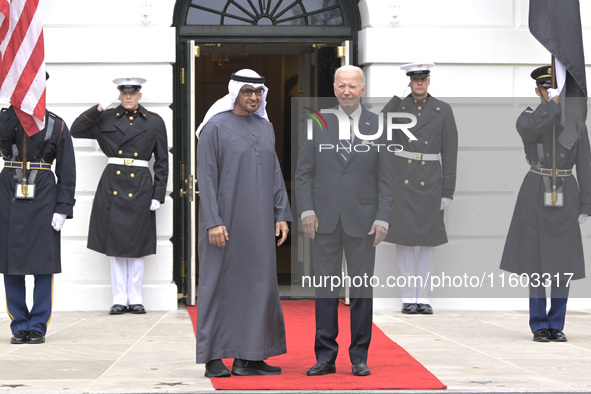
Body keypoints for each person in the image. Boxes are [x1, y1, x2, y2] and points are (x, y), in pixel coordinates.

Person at [295, 65, 394, 376]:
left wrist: (383, 218)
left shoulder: (378, 125)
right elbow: (303, 174)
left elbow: (387, 180)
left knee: (362, 290)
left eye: (353, 86)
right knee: (325, 289)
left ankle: (359, 356)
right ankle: (325, 356)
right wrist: (307, 211)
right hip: (324, 220)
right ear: (334, 88)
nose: (347, 91)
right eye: (341, 86)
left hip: (364, 221)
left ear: (362, 89)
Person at [195, 69, 291, 378]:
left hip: (260, 224)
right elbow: (205, 179)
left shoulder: (266, 128)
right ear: (235, 93)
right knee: (218, 287)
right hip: (223, 224)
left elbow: (275, 172)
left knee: (259, 287)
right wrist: (212, 221)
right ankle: (213, 358)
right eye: (248, 91)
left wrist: (281, 214)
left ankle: (249, 357)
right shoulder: (214, 127)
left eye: (259, 92)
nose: (254, 97)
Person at [500, 65, 591, 342]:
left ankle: (557, 323)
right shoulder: (529, 117)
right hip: (536, 190)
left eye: (555, 90)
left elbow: (585, 164)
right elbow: (529, 130)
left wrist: (586, 204)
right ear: (537, 91)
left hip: (565, 191)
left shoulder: (575, 124)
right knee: (536, 263)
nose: (550, 94)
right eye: (545, 89)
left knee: (562, 263)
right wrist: (551, 105)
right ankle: (539, 324)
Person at [70, 78, 168, 315]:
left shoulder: (154, 121)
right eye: (124, 94)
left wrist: (158, 193)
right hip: (113, 180)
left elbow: (162, 160)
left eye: (132, 94)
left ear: (139, 96)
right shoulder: (105, 117)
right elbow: (76, 130)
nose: (128, 98)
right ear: (119, 95)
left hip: (141, 184)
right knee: (115, 245)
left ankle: (135, 297)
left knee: (137, 244)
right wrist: (99, 107)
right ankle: (118, 298)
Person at [381, 63, 458, 315]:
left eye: (423, 79)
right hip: (402, 178)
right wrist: (395, 96)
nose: (419, 84)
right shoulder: (399, 107)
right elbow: (378, 126)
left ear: (428, 81)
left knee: (427, 243)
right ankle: (407, 299)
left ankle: (423, 298)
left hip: (430, 180)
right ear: (409, 82)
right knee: (403, 242)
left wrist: (447, 190)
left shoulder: (443, 110)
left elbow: (450, 151)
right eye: (414, 80)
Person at [0, 105, 76, 344]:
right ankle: (19, 324)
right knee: (11, 265)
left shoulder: (56, 123)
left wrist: (63, 208)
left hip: (43, 194)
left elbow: (67, 169)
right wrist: (15, 111)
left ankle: (38, 325)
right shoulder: (5, 118)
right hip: (8, 191)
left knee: (44, 265)